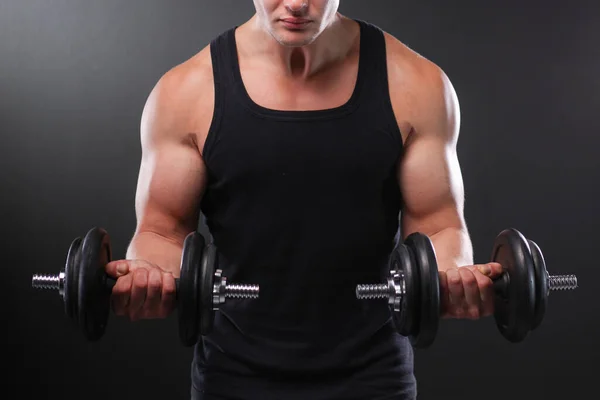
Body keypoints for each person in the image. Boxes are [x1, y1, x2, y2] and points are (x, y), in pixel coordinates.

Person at [105, 1, 504, 399]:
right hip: (232, 377)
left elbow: (439, 225)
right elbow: (162, 230)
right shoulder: (186, 93)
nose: (296, 3)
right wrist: (150, 278)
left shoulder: (416, 85)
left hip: (373, 376)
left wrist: (452, 279)